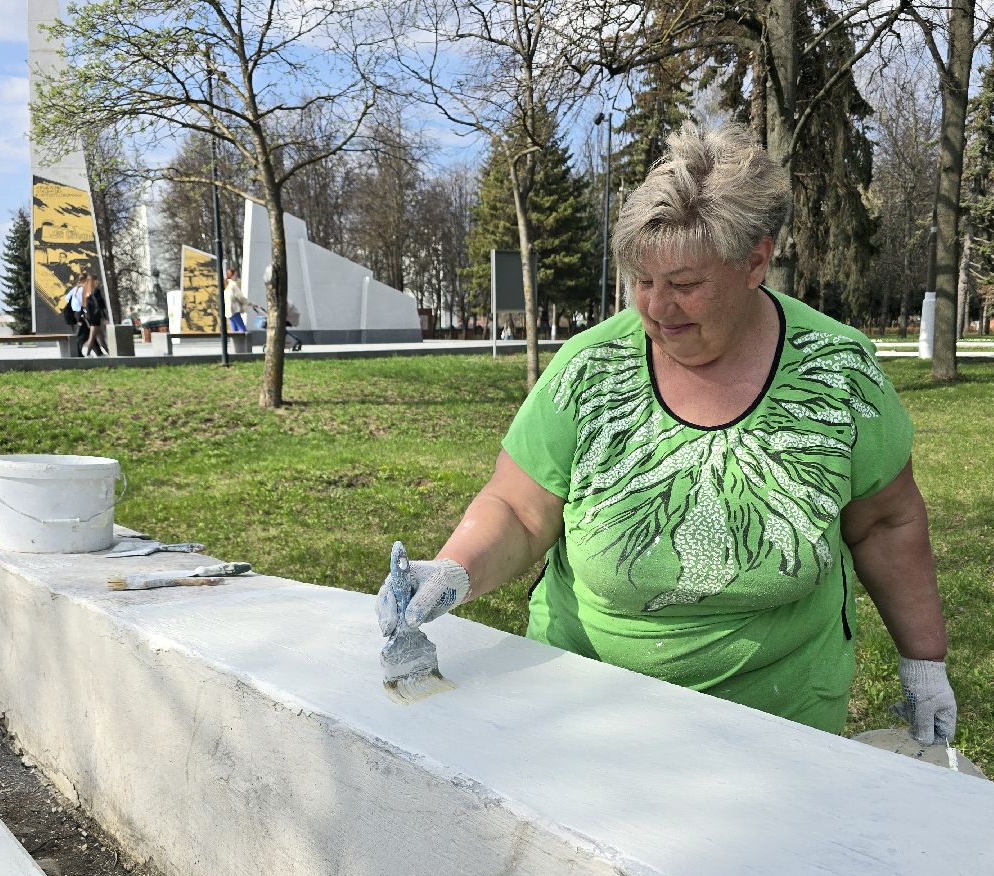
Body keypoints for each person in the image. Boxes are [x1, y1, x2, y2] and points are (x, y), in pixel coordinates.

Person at [376, 122, 957, 745]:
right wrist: (455, 567)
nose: (657, 307)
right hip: (579, 706)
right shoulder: (591, 368)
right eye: (643, 281)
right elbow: (520, 509)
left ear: (755, 261)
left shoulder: (836, 373)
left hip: (781, 726)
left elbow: (885, 523)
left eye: (684, 285)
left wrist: (924, 663)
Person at [64, 272, 90, 357]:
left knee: (85, 333)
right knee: (83, 334)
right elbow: (84, 303)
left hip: (76, 313)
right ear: (85, 280)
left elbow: (66, 298)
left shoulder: (75, 288)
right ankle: (78, 353)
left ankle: (98, 352)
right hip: (80, 313)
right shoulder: (82, 289)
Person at [82, 273, 108, 356]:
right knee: (92, 338)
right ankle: (87, 355)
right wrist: (104, 318)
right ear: (93, 281)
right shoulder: (96, 291)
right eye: (96, 280)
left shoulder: (88, 292)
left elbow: (87, 307)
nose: (98, 281)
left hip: (92, 318)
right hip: (95, 319)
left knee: (101, 337)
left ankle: (110, 353)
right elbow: (98, 305)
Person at [223, 268, 248, 334]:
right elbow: (240, 297)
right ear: (231, 276)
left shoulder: (227, 284)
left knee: (234, 331)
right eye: (236, 276)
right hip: (234, 310)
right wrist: (250, 303)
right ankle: (242, 341)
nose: (237, 277)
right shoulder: (233, 284)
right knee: (242, 329)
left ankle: (234, 341)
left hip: (228, 311)